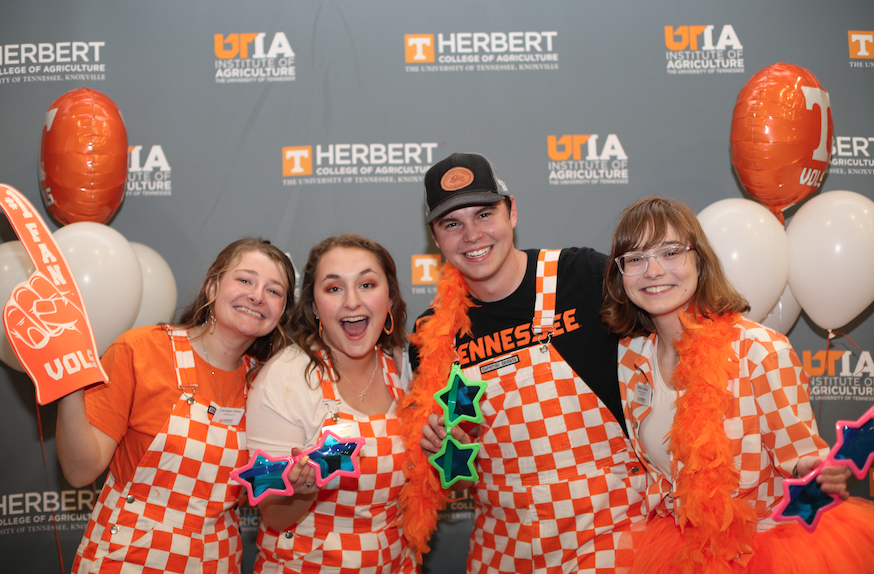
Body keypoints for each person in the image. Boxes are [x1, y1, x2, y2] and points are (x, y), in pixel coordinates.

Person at [602, 196, 874, 573]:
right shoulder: (631, 358)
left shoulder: (760, 351)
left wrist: (819, 469)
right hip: (678, 550)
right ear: (620, 274)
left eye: (670, 252)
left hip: (761, 550)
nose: (653, 270)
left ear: (699, 260)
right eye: (635, 258)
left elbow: (799, 457)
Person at [405, 152, 646, 573]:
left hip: (614, 537)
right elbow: (455, 464)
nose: (472, 235)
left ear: (512, 211)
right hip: (504, 550)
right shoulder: (432, 335)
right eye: (452, 224)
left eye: (484, 214)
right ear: (436, 238)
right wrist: (438, 443)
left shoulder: (582, 276)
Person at [57, 237, 296, 574]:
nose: (258, 296)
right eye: (244, 280)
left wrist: (296, 477)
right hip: (128, 559)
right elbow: (79, 471)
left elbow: (257, 488)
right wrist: (68, 385)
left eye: (274, 291)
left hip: (216, 563)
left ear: (281, 312)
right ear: (213, 288)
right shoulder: (141, 350)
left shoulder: (267, 386)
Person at [246, 234, 417, 574]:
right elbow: (273, 515)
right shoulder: (285, 379)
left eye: (367, 284)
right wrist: (303, 490)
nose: (352, 301)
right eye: (334, 289)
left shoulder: (403, 368)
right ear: (313, 306)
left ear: (390, 298)